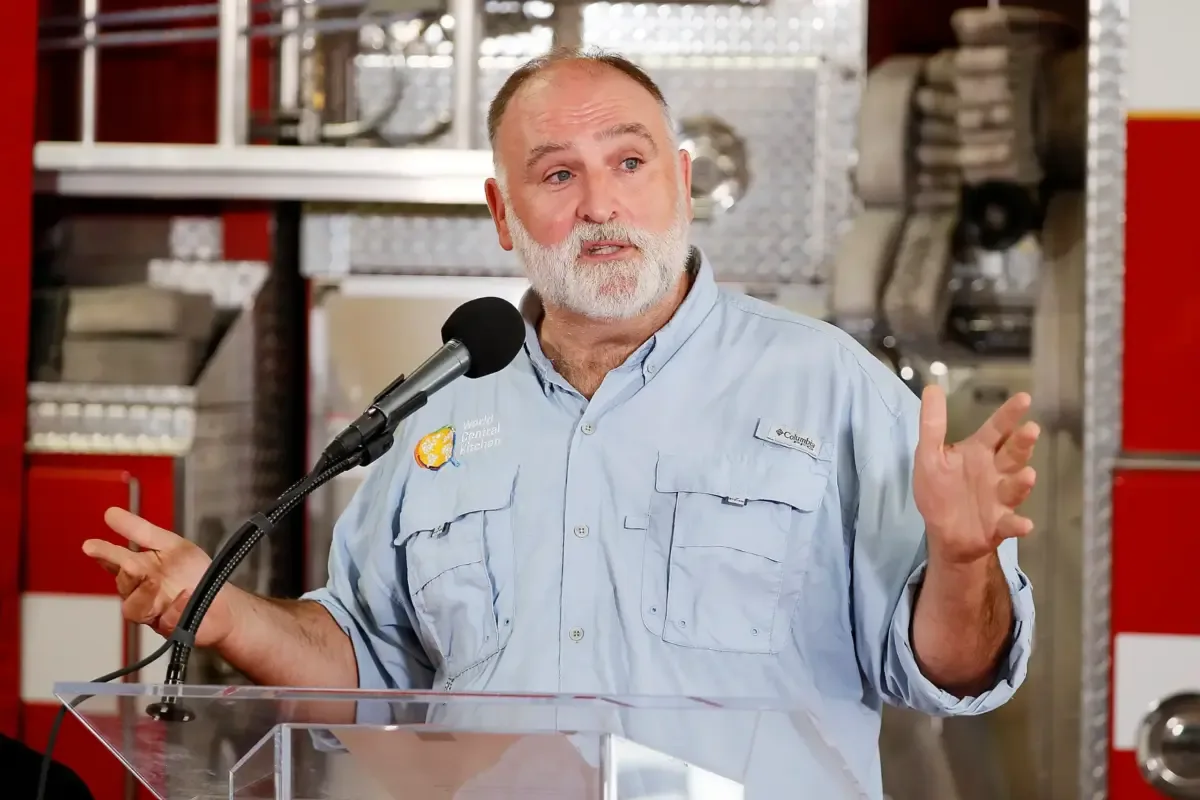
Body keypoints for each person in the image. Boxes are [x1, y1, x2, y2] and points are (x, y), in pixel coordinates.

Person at [84, 48, 1037, 797]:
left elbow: (951, 672)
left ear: (682, 178)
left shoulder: (828, 385)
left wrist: (962, 561)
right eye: (555, 175)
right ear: (503, 213)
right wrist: (219, 610)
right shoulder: (437, 411)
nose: (601, 205)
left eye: (629, 161)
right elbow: (371, 677)